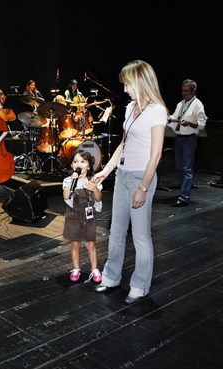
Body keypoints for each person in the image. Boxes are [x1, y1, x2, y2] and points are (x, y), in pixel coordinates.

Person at [91, 60, 167, 305]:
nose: (124, 89)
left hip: (140, 177)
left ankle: (140, 285)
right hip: (123, 175)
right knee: (116, 231)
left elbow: (156, 154)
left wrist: (143, 187)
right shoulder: (130, 108)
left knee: (141, 236)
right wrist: (107, 170)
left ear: (140, 81)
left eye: (127, 84)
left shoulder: (156, 110)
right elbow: (124, 144)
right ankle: (111, 276)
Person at [62, 150, 103, 283]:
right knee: (75, 244)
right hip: (73, 216)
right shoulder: (68, 180)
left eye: (82, 161)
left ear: (88, 166)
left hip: (88, 216)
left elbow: (98, 198)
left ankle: (94, 268)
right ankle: (76, 268)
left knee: (91, 243)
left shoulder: (93, 180)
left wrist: (94, 188)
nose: (78, 164)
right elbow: (66, 196)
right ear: (72, 166)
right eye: (75, 162)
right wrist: (73, 180)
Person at [168, 79, 207, 207]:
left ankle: (184, 197)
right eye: (182, 90)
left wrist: (189, 123)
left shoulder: (197, 105)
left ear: (193, 91)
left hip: (189, 139)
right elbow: (174, 118)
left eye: (186, 90)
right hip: (178, 138)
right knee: (179, 167)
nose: (184, 93)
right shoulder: (180, 104)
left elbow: (201, 124)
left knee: (186, 168)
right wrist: (169, 118)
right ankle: (182, 191)